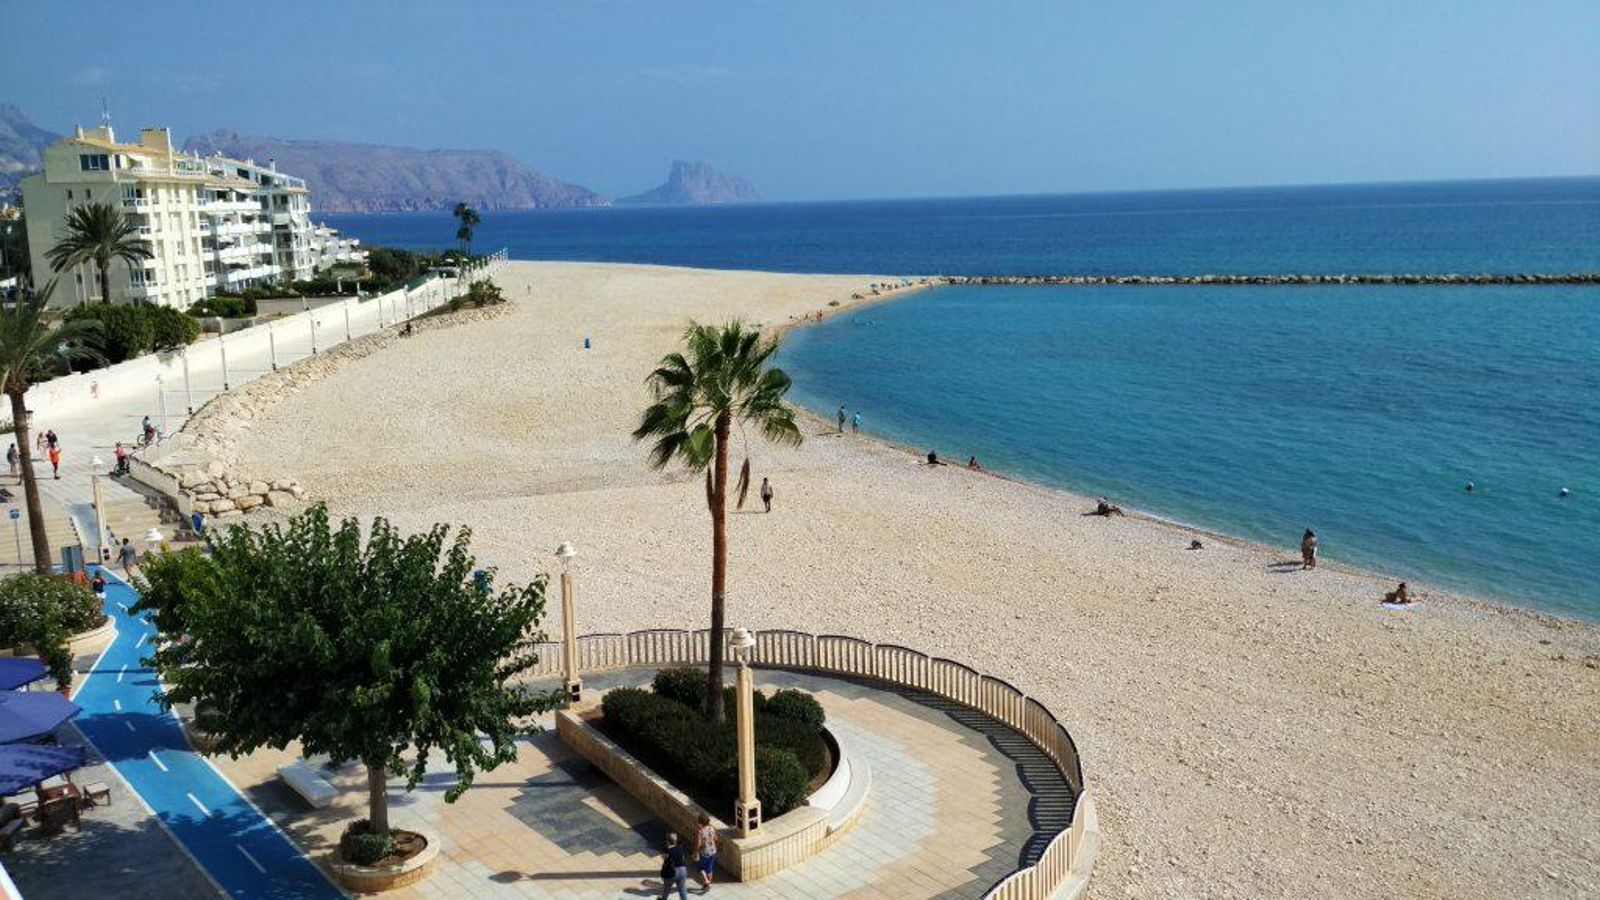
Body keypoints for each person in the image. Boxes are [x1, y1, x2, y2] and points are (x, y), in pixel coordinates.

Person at [658, 832, 688, 900]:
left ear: (668, 841)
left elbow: (665, 859)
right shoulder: (680, 846)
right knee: (682, 889)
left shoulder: (667, 850)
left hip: (671, 872)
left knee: (667, 888)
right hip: (682, 870)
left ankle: (664, 899)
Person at [693, 812, 718, 889]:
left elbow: (698, 844)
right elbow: (716, 839)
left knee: (700, 867)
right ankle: (708, 884)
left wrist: (695, 852)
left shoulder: (700, 831)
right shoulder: (712, 828)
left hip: (704, 852)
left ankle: (706, 881)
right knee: (709, 869)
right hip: (713, 851)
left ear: (700, 822)